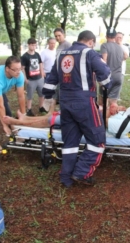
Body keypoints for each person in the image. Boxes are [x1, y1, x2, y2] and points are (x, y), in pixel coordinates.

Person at [42, 30, 112, 188]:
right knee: (98, 140)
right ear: (91, 41)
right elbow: (105, 74)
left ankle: (65, 178)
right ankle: (81, 172)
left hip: (65, 103)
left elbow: (51, 79)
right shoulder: (89, 53)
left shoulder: (61, 54)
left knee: (70, 141)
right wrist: (107, 84)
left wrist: (47, 95)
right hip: (84, 102)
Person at [100, 27, 125, 107]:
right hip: (118, 77)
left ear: (106, 36)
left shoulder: (104, 46)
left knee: (102, 103)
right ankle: (114, 118)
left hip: (108, 78)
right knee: (113, 104)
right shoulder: (120, 48)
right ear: (115, 37)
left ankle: (103, 119)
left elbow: (104, 60)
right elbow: (121, 60)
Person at [50, 28, 72, 113]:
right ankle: (56, 111)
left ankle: (62, 111)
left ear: (64, 35)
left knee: (62, 93)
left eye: (59, 35)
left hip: (65, 74)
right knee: (57, 92)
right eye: (56, 36)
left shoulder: (68, 45)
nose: (57, 37)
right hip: (58, 74)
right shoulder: (58, 46)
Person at [21, 38, 45, 116]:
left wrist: (42, 74)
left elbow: (40, 64)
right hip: (30, 79)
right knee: (30, 95)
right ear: (28, 45)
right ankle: (29, 109)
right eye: (32, 45)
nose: (33, 47)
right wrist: (25, 79)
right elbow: (22, 68)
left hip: (39, 78)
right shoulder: (25, 56)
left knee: (42, 94)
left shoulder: (37, 54)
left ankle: (41, 107)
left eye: (35, 45)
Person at [39, 37, 57, 112]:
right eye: (51, 43)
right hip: (48, 73)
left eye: (54, 43)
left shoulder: (56, 51)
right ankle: (45, 108)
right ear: (48, 43)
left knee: (55, 91)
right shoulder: (44, 52)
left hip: (56, 73)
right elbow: (41, 62)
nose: (52, 45)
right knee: (48, 91)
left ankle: (52, 106)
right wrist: (42, 71)